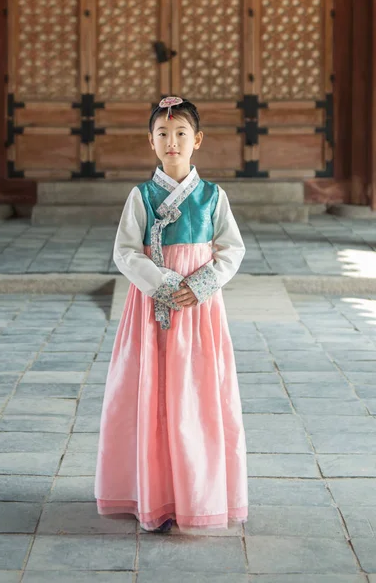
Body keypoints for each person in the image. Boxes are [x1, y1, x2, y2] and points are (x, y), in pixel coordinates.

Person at [94, 96, 248, 534]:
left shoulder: (213, 197)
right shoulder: (140, 196)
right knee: (150, 394)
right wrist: (162, 283)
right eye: (163, 134)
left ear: (196, 140)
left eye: (181, 133)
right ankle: (153, 493)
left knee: (195, 398)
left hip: (198, 315)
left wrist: (199, 285)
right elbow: (125, 251)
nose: (172, 141)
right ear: (151, 142)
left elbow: (231, 250)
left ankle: (197, 496)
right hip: (151, 311)